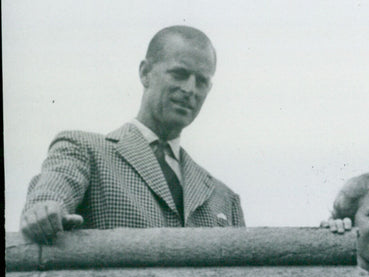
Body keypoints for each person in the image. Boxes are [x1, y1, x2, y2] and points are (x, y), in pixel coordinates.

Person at [20, 25, 245, 243]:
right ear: (145, 73)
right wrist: (45, 208)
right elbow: (54, 191)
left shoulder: (224, 199)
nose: (190, 89)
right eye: (179, 74)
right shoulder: (84, 149)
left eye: (202, 81)